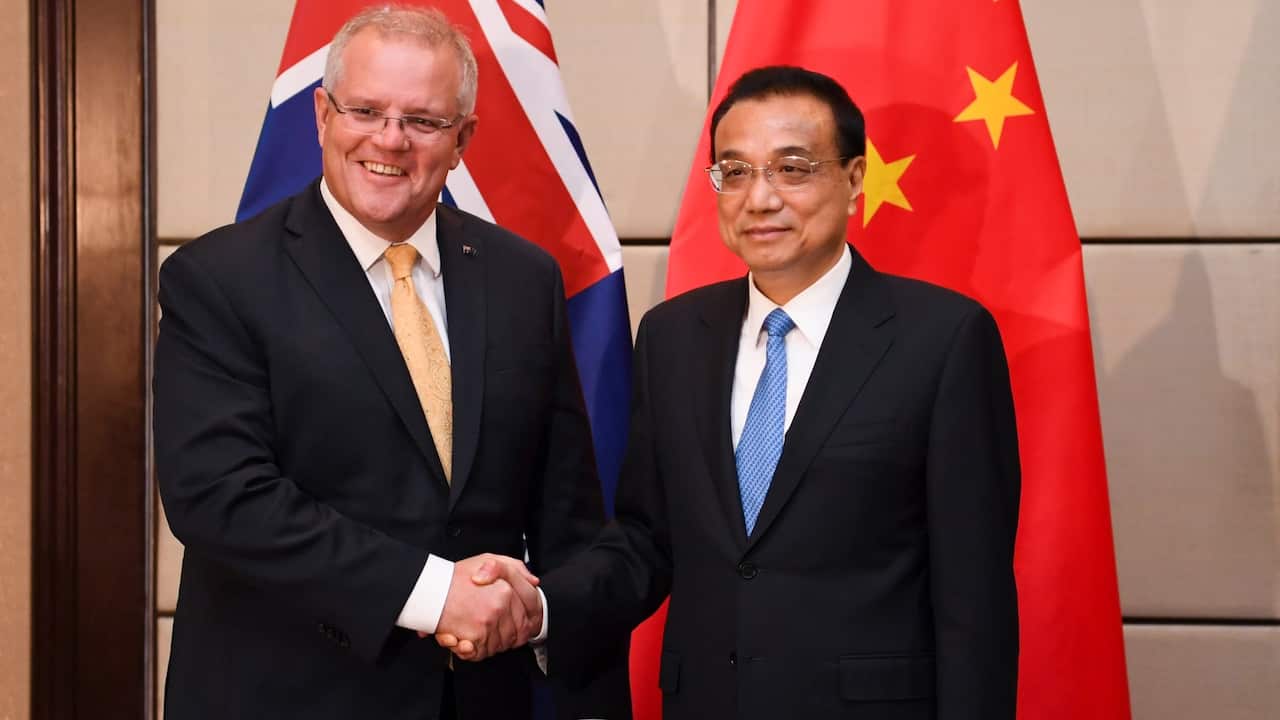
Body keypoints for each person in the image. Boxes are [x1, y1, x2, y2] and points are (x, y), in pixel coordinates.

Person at [500, 65, 1021, 719]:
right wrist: (542, 606)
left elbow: (974, 597)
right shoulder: (672, 337)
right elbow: (647, 540)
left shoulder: (944, 340)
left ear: (855, 179)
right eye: (735, 171)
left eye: (792, 169)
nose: (760, 198)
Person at [154, 6, 628, 719]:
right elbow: (221, 497)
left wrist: (540, 613)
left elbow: (567, 513)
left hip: (481, 699)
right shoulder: (218, 279)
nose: (390, 139)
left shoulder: (523, 279)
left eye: (424, 120)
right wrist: (438, 595)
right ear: (321, 114)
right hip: (288, 696)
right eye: (366, 110)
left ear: (463, 139)